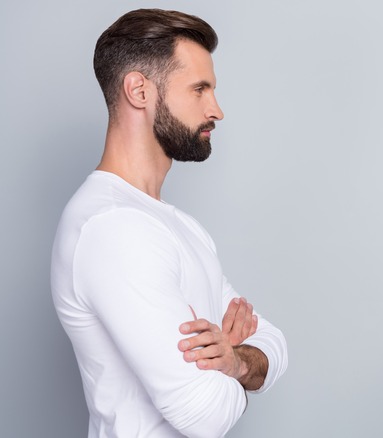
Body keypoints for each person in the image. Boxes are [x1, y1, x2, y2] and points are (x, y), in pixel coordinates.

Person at [50, 9, 288, 437]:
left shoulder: (176, 225)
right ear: (139, 90)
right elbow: (205, 414)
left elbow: (274, 347)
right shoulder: (112, 228)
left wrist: (234, 360)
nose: (216, 109)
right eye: (199, 89)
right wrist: (238, 364)